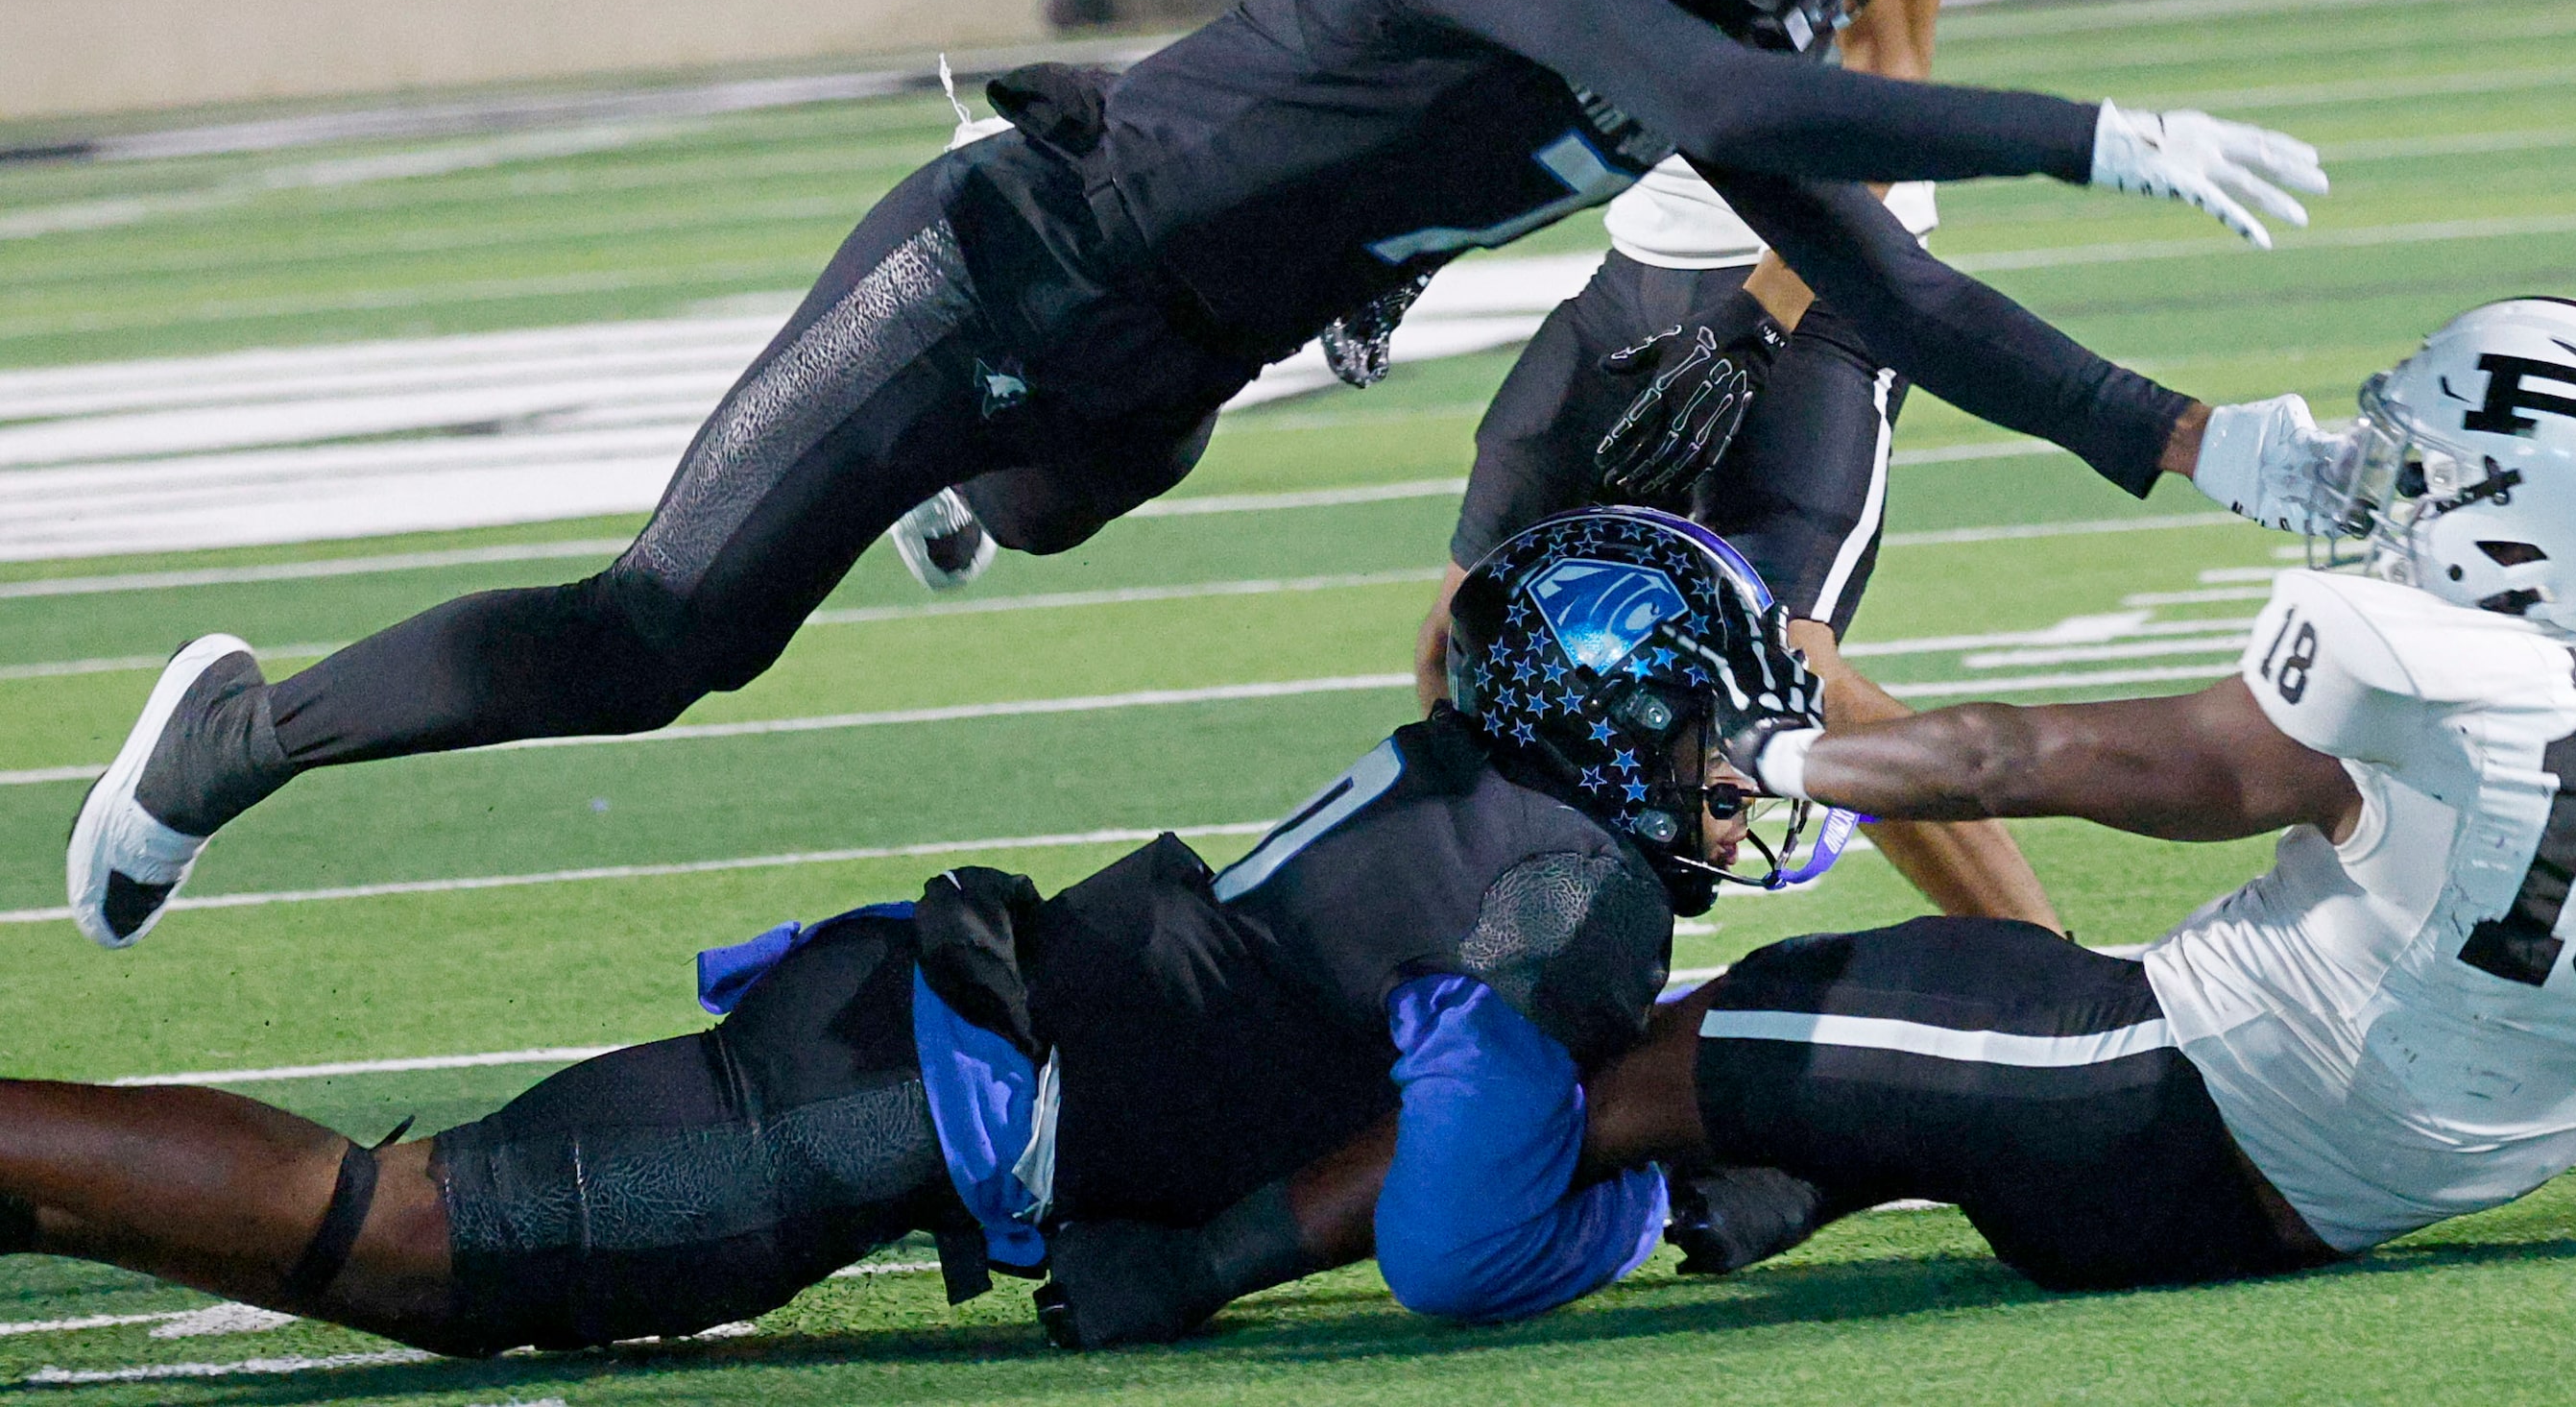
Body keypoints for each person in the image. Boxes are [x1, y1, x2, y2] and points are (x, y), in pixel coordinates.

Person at [70, 0, 2342, 950]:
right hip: (1011, 270)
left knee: (1062, 498)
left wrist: (2213, 442)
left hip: (1178, 345)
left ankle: (989, 485)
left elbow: (1904, 299)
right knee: (672, 636)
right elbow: (1731, 115)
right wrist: (2087, 135)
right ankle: (232, 737)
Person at [1082, 296, 2576, 1324]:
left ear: (2521, 524)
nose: (2392, 494)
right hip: (2354, 1181)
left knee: (1674, 1050)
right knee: (1941, 1041)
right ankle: (1797, 1179)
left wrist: (1779, 758)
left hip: (2163, 1119)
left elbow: (2047, 763)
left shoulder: (2421, 662)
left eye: (2430, 474)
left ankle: (1198, 1261)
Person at [2, 511, 1825, 1355]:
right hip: (919, 1090)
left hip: (929, 1042)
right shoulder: (1571, 890)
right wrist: (1200, 1273)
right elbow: (1442, 1172)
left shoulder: (1514, 823)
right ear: (1609, 713)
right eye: (1708, 728)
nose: (1738, 771)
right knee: (405, 1239)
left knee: (425, 1251)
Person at [1404, 0, 2058, 929]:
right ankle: (1532, 963)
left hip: (1822, 272)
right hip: (1638, 262)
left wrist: (1759, 321)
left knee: (1782, 665)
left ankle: (2053, 968)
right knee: (1466, 641)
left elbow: (1890, 65)